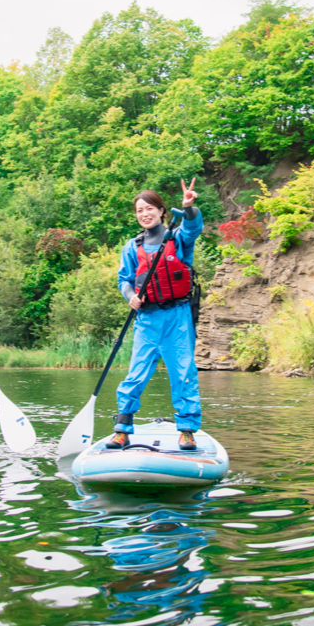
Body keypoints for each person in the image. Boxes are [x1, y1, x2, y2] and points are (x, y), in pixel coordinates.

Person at [107, 179, 203, 451]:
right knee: (136, 375)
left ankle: (186, 430)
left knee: (183, 373)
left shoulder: (178, 238)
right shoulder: (131, 246)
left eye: (149, 208)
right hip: (147, 320)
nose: (144, 214)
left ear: (162, 211)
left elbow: (194, 227)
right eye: (139, 210)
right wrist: (130, 296)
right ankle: (122, 429)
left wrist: (188, 207)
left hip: (177, 317)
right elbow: (124, 280)